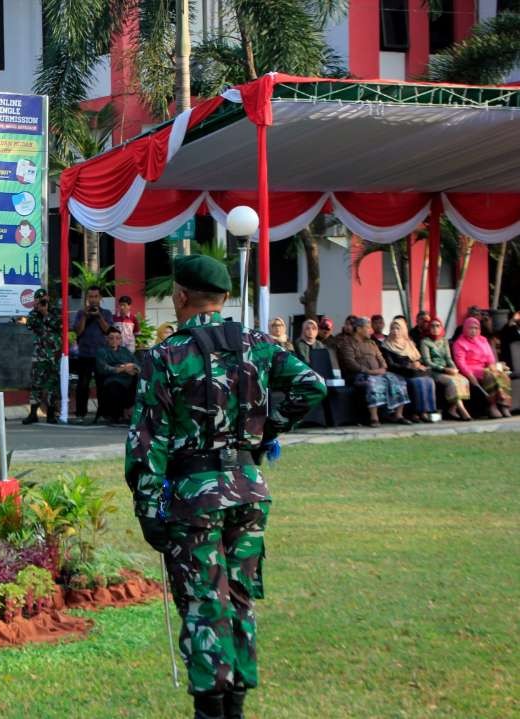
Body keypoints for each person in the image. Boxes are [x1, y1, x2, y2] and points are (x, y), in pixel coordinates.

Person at [126, 255, 326, 719]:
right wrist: (269, 429)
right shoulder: (257, 344)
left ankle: (211, 709)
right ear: (224, 298)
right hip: (249, 489)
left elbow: (147, 440)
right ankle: (236, 703)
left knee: (203, 602)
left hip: (195, 495)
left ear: (180, 297)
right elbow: (311, 386)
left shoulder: (166, 355)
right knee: (237, 597)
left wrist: (147, 505)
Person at [336, 317, 411, 427]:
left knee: (398, 380)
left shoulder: (372, 343)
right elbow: (351, 364)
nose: (370, 330)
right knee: (373, 382)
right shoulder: (348, 343)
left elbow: (382, 360)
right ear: (359, 329)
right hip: (358, 375)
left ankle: (398, 415)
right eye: (367, 328)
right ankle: (374, 418)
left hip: (378, 373)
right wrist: (370, 372)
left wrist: (382, 368)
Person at [452, 316, 512, 418]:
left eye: (476, 328)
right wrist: (469, 375)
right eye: (471, 328)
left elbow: (490, 357)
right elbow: (460, 363)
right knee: (489, 375)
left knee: (502, 374)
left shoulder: (483, 340)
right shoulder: (459, 343)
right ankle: (492, 405)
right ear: (465, 328)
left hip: (485, 367)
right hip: (470, 369)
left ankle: (504, 405)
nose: (473, 331)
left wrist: (493, 366)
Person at [379, 317, 437, 422]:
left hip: (413, 372)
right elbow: (390, 365)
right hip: (399, 372)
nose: (395, 331)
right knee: (416, 382)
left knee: (429, 381)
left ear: (403, 330)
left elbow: (418, 359)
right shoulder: (386, 345)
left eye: (398, 328)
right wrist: (408, 366)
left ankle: (424, 412)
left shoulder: (409, 343)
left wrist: (418, 364)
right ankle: (413, 413)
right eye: (392, 328)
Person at [72, 285, 113, 421]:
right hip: (84, 355)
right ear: (87, 298)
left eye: (96, 296)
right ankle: (80, 414)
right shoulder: (80, 313)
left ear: (100, 298)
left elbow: (108, 331)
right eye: (91, 296)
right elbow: (78, 332)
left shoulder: (106, 313)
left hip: (101, 356)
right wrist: (85, 316)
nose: (93, 299)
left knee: (102, 386)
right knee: (82, 385)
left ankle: (102, 414)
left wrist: (99, 316)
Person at [419, 317, 471, 421]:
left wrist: (454, 368)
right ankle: (462, 409)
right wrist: (444, 369)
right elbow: (427, 361)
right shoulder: (425, 341)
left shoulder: (444, 341)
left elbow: (448, 358)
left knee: (463, 380)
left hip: (447, 369)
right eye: (432, 326)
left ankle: (452, 409)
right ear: (429, 328)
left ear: (441, 327)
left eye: (437, 326)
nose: (435, 328)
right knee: (452, 382)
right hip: (433, 371)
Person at [23, 288, 60, 424]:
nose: (42, 301)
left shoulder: (56, 311)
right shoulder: (33, 314)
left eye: (44, 298)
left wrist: (46, 313)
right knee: (36, 384)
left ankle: (51, 414)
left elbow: (59, 325)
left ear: (48, 298)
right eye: (39, 299)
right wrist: (39, 311)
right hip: (39, 354)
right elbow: (30, 325)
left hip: (53, 354)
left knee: (52, 384)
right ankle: (33, 413)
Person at [95, 327, 139, 423]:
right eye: (111, 338)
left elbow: (137, 364)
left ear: (121, 339)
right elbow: (104, 368)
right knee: (115, 386)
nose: (115, 340)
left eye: (118, 338)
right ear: (107, 339)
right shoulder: (102, 351)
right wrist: (123, 368)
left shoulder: (125, 351)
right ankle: (117, 415)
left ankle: (132, 413)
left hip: (129, 378)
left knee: (142, 383)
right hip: (112, 379)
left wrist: (132, 366)